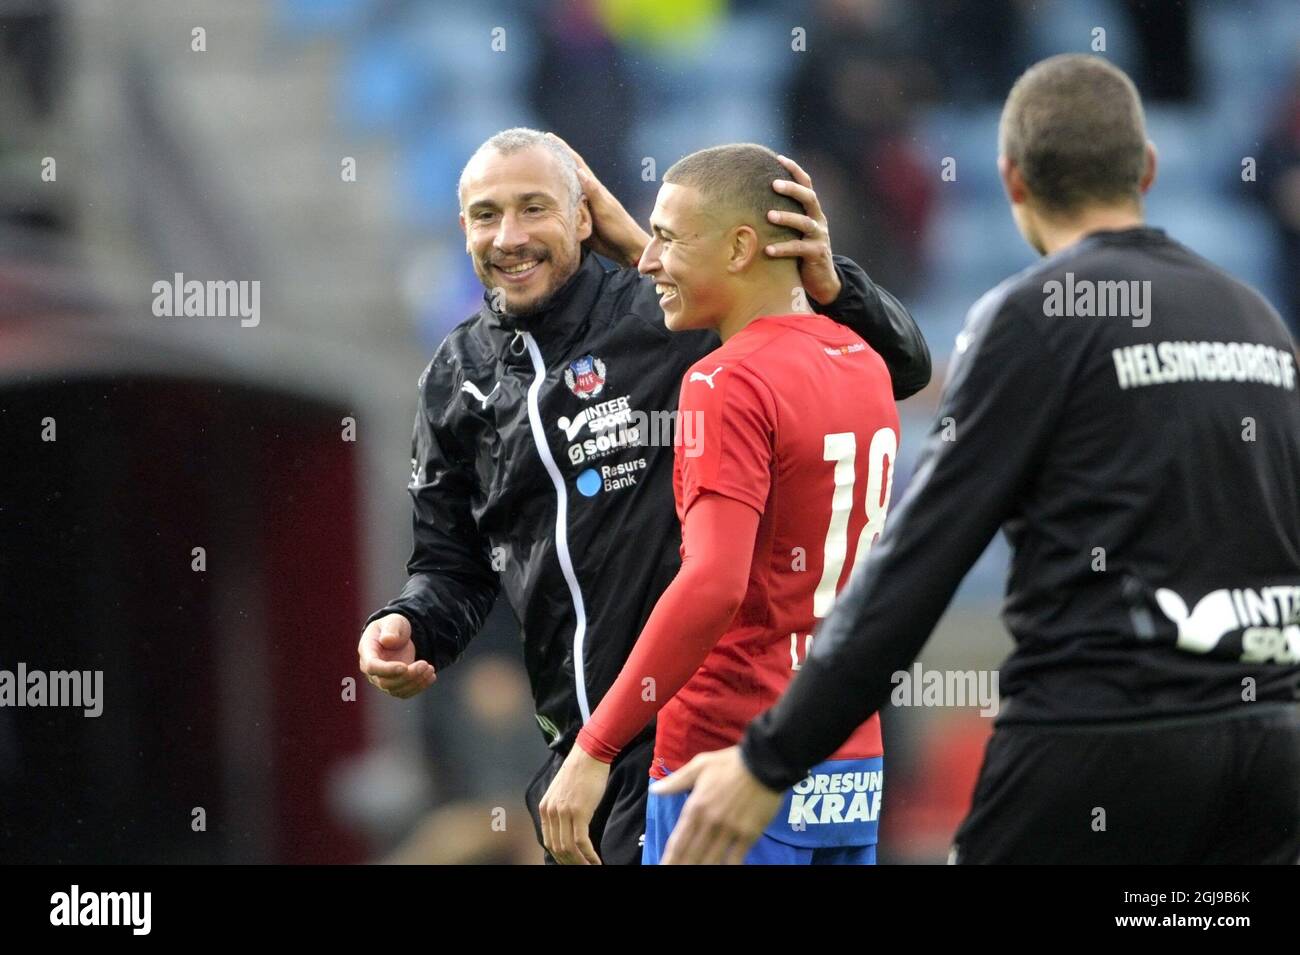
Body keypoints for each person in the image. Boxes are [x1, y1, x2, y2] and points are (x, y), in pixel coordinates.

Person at [656, 54, 1300, 865]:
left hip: (1097, 742)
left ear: (1011, 179)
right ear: (1148, 169)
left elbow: (917, 560)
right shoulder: (1258, 321)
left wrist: (768, 757)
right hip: (1271, 748)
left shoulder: (1035, 316)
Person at [356, 127, 931, 864]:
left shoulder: (670, 320)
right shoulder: (454, 379)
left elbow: (888, 362)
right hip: (579, 755)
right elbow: (452, 566)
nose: (509, 236)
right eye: (485, 214)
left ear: (584, 214)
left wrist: (830, 279)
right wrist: (413, 623)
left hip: (683, 737)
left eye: (534, 208)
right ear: (461, 227)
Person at [538, 143, 899, 865]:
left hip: (724, 761)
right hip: (847, 762)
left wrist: (595, 745)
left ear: (740, 248)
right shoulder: (866, 363)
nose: (645, 260)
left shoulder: (722, 381)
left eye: (668, 237)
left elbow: (713, 584)